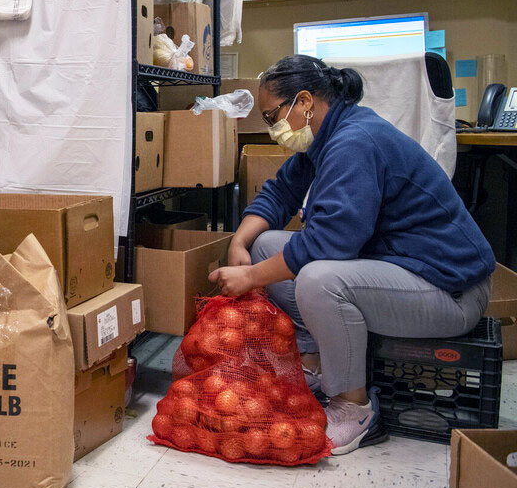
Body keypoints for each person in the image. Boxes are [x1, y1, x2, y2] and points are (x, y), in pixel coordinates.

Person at [208, 55, 494, 455]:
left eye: (273, 115)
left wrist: (251, 278)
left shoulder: (354, 143)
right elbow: (279, 193)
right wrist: (239, 244)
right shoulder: (327, 138)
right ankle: (315, 362)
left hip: (451, 290)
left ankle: (354, 407)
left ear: (304, 101)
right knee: (266, 245)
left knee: (318, 279)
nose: (273, 128)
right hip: (406, 268)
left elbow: (329, 245)